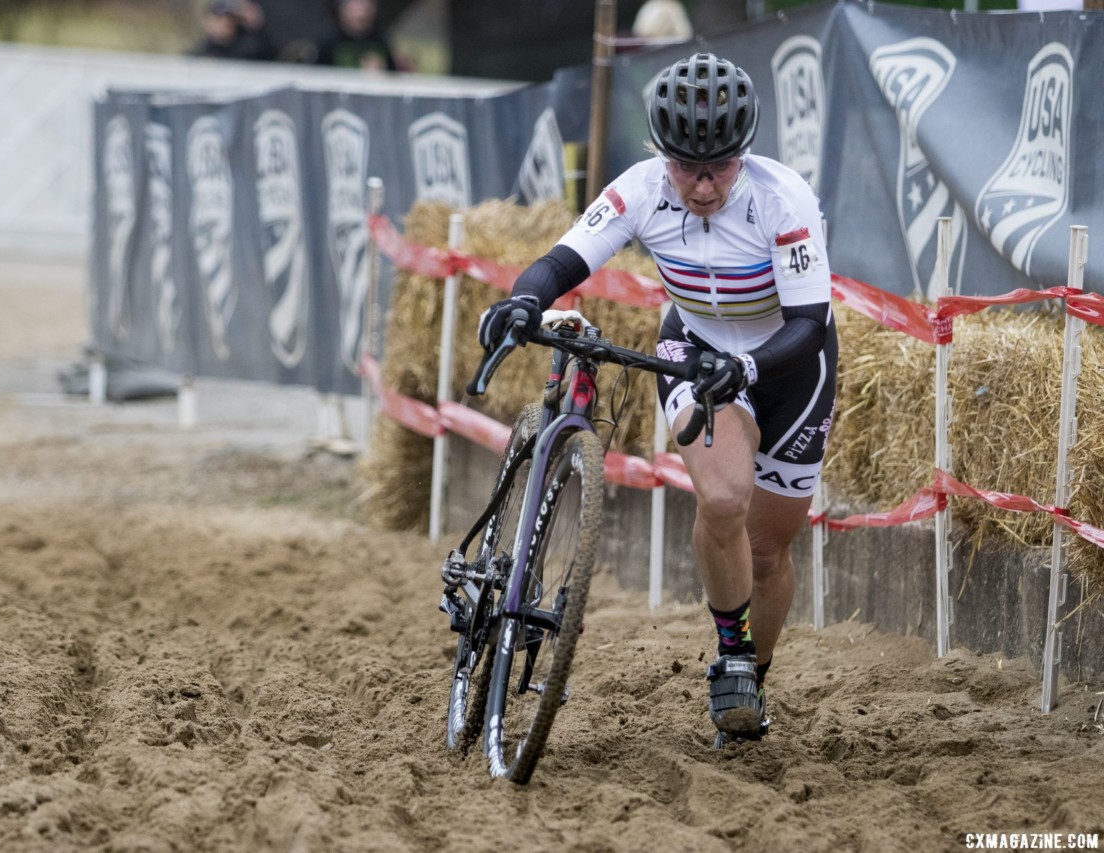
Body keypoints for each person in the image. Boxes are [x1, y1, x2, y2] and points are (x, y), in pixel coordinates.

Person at [476, 53, 837, 747]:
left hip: (790, 363)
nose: (702, 186)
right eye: (685, 166)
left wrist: (749, 365)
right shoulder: (641, 189)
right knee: (725, 499)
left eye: (720, 166)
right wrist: (524, 299)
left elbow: (808, 323)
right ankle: (731, 651)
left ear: (745, 152)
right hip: (695, 351)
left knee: (767, 550)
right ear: (660, 154)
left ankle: (750, 682)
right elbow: (563, 260)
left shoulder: (782, 199)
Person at [315, 0, 398, 71]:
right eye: (355, 8)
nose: (361, 14)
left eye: (365, 8)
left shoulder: (380, 41)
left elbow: (394, 74)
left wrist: (382, 70)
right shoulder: (328, 41)